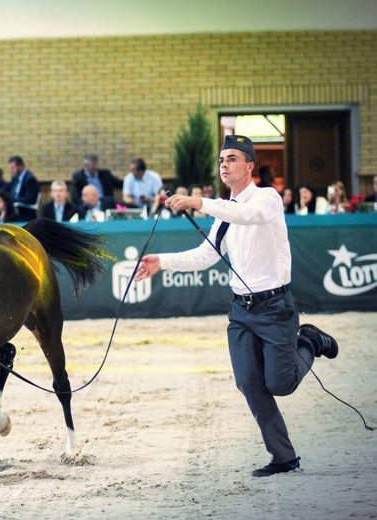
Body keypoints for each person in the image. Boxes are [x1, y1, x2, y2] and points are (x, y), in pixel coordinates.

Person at [137, 135, 339, 478]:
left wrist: (199, 201)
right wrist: (163, 262)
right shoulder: (224, 214)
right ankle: (283, 457)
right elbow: (204, 256)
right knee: (248, 382)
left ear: (249, 165)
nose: (224, 164)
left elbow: (249, 214)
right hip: (241, 312)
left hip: (276, 307)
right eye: (221, 160)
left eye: (232, 158)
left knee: (280, 384)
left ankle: (309, 342)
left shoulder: (267, 198)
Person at [7, 155, 39, 221]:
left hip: (25, 212)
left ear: (20, 166)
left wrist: (13, 200)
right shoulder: (14, 178)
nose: (11, 171)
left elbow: (30, 199)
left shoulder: (30, 179)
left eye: (12, 168)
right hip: (15, 210)